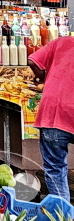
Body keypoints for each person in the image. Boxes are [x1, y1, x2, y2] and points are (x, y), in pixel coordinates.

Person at [30, 37, 74, 201]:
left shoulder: (61, 42)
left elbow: (33, 62)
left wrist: (46, 78)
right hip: (57, 112)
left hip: (54, 112)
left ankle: (63, 217)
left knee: (55, 169)